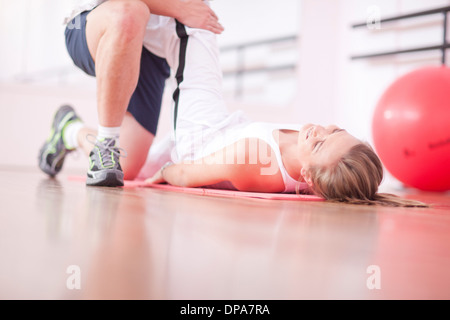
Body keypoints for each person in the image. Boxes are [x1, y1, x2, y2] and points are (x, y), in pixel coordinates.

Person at [136, 12, 427, 208]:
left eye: (319, 143)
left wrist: (164, 173)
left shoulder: (254, 160)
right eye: (336, 130)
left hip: (198, 140)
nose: (319, 130)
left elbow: (186, 174)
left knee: (198, 24)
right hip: (222, 130)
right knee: (127, 165)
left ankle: (137, 22)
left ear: (310, 180)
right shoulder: (312, 159)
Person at [38, 0, 224, 187]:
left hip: (151, 50)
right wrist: (179, 8)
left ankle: (69, 130)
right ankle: (106, 145)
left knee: (127, 166)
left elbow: (196, 19)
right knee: (130, 11)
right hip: (94, 19)